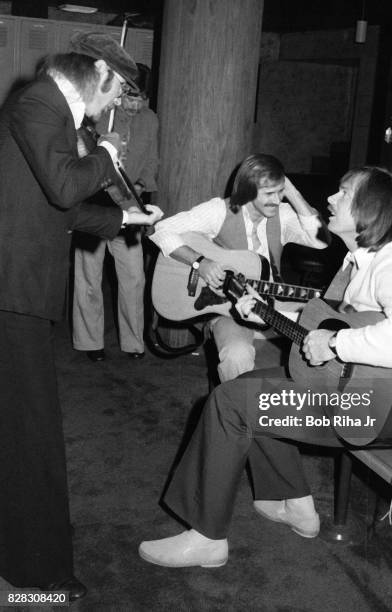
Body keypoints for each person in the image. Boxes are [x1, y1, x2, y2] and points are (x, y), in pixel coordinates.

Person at [138, 166, 392, 568]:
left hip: (371, 411)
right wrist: (263, 314)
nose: (331, 199)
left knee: (229, 403)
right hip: (359, 395)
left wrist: (336, 342)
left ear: (369, 210)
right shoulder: (362, 261)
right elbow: (321, 325)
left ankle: (206, 538)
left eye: (344, 194)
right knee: (251, 385)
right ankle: (296, 505)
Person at [0, 33, 163, 599]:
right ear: (98, 71)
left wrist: (127, 224)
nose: (115, 100)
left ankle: (26, 556)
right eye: (117, 87)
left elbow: (52, 212)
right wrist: (107, 156)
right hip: (10, 292)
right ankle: (36, 576)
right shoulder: (39, 102)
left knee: (20, 431)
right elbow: (66, 184)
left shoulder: (47, 109)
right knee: (31, 435)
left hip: (16, 290)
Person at [150, 153, 328, 382]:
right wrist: (199, 262)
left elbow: (321, 241)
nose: (276, 200)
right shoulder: (219, 210)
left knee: (322, 329)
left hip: (275, 303)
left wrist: (292, 192)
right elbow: (161, 230)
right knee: (236, 355)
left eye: (279, 192)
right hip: (227, 310)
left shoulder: (282, 214)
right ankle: (236, 408)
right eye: (268, 193)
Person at [72, 63, 159, 362]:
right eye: (131, 96)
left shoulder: (150, 120)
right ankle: (89, 341)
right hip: (95, 204)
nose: (136, 104)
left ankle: (134, 342)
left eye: (142, 98)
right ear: (120, 93)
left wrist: (140, 182)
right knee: (89, 277)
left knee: (134, 278)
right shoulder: (99, 116)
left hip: (130, 206)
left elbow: (152, 161)